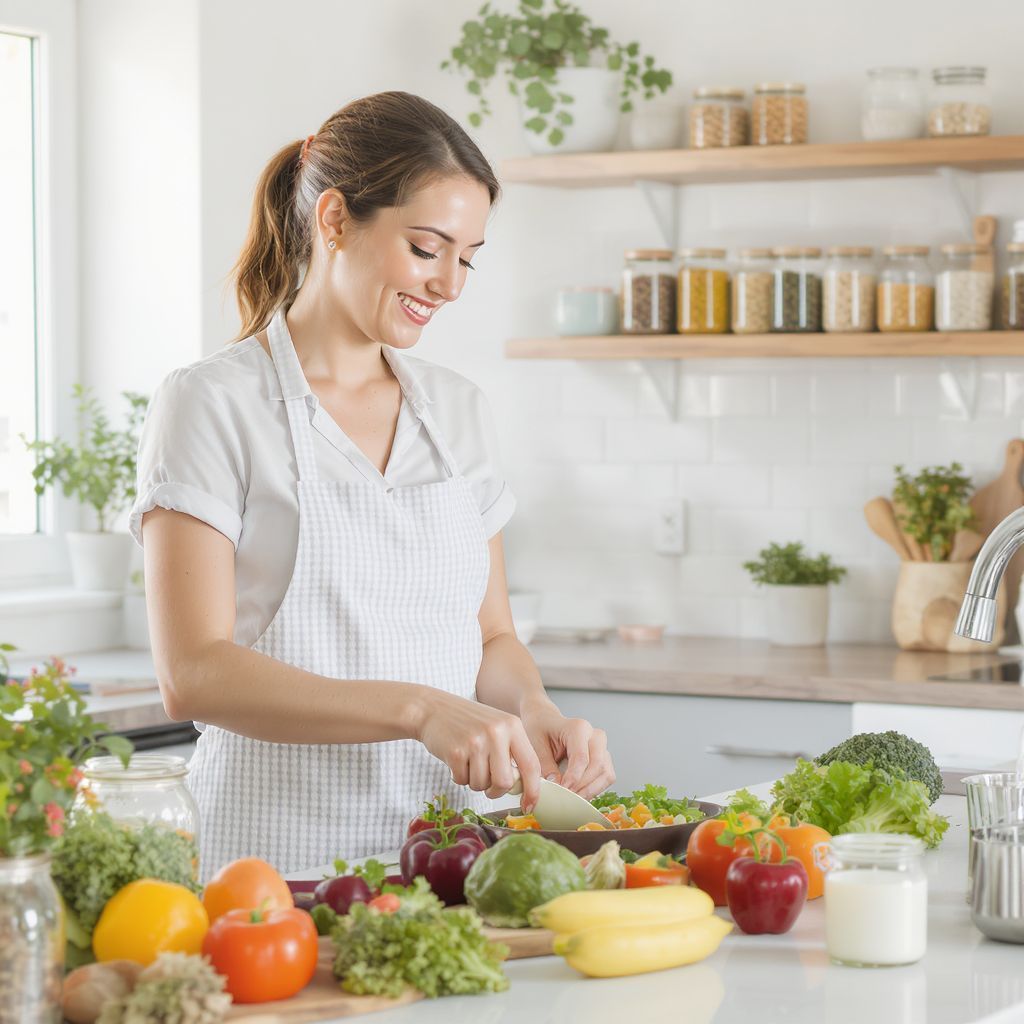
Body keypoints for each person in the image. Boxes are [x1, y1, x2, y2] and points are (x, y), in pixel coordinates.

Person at [130, 91, 615, 878]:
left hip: (452, 862)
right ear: (333, 220)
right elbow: (193, 674)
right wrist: (420, 710)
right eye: (427, 249)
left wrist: (535, 709)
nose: (450, 285)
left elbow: (492, 637)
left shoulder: (459, 410)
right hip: (273, 871)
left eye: (467, 257)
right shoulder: (214, 402)